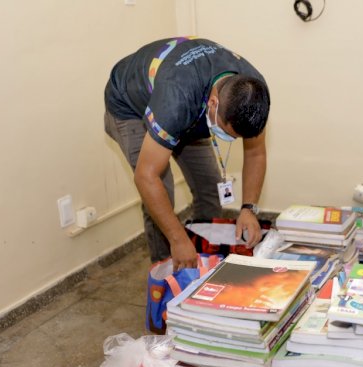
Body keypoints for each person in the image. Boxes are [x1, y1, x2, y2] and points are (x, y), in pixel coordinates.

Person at [104, 37, 270, 270]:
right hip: (130, 105)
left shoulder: (253, 92)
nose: (231, 141)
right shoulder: (177, 98)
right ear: (212, 104)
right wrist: (178, 239)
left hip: (185, 104)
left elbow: (256, 154)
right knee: (162, 193)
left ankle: (203, 263)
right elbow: (146, 176)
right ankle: (167, 270)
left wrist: (248, 209)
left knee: (210, 188)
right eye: (227, 133)